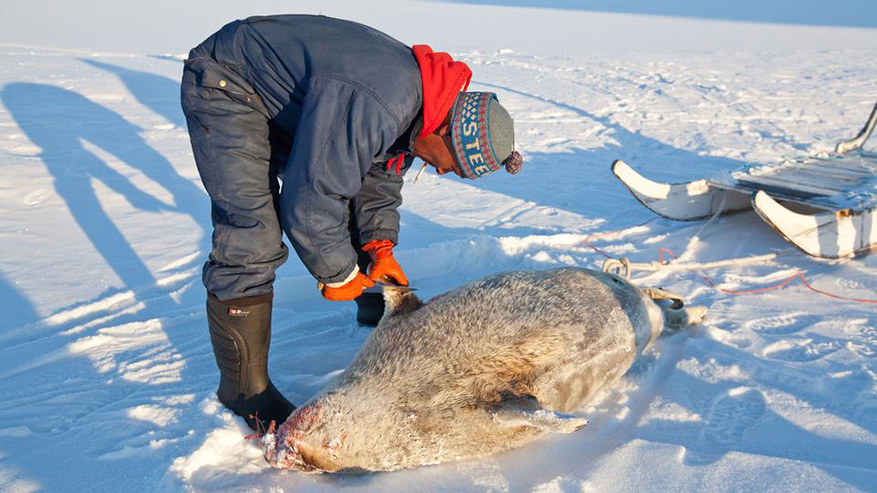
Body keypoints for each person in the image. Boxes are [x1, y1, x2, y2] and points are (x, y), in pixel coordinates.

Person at [180, 14, 522, 431]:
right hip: (230, 83)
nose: (443, 171)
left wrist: (379, 246)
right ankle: (243, 391)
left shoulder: (423, 106)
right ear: (448, 130)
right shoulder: (382, 101)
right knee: (253, 231)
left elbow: (377, 175)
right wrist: (337, 273)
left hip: (284, 97)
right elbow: (310, 199)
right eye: (453, 164)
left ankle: (370, 305)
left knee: (341, 188)